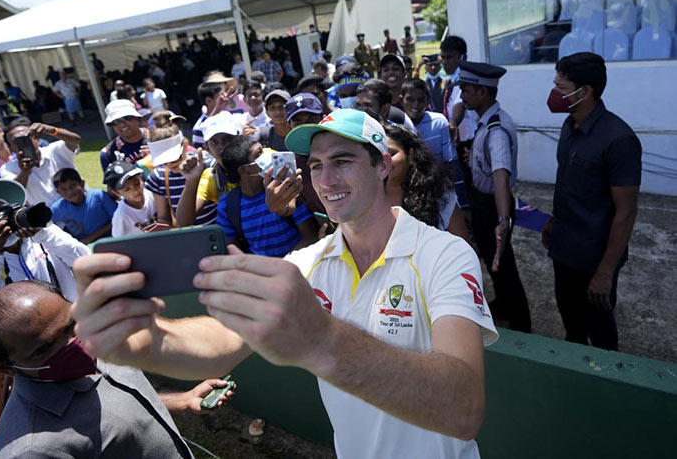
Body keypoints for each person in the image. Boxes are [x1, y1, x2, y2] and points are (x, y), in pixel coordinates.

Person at [72, 109, 498, 458]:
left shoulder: (443, 253)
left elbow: (463, 408)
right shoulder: (307, 262)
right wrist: (146, 341)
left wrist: (321, 339)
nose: (326, 179)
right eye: (315, 165)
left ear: (383, 164)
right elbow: (221, 341)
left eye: (343, 161)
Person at [0, 281, 234, 458]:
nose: (76, 343)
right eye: (45, 348)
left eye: (71, 325)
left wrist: (182, 400)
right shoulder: (32, 451)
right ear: (4, 368)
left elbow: (113, 400)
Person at [543, 52, 641, 351]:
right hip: (564, 249)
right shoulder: (569, 125)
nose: (553, 94)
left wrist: (605, 272)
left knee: (600, 334)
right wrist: (552, 221)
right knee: (572, 326)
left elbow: (625, 213)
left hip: (594, 258)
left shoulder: (619, 140)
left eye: (561, 88)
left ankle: (607, 388)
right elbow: (569, 183)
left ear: (585, 92)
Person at [457, 61, 531, 333]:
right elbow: (489, 164)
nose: (462, 95)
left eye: (466, 90)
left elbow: (500, 175)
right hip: (484, 202)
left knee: (503, 266)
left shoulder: (496, 129)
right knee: (493, 262)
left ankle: (522, 326)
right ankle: (503, 304)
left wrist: (502, 219)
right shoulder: (487, 121)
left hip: (492, 206)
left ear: (482, 92)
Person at [0, 179, 90, 307]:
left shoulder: (42, 235)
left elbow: (85, 260)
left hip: (76, 318)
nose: (2, 222)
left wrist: (43, 234)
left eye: (3, 213)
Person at [217, 136, 317, 255]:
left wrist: (285, 264)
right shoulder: (227, 206)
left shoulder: (282, 189)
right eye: (258, 154)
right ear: (245, 170)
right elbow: (232, 248)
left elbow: (310, 236)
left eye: (263, 149)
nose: (267, 155)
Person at [384, 123, 468, 240]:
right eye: (378, 155)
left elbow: (463, 244)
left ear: (411, 156)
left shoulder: (439, 195)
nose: (385, 160)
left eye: (392, 154)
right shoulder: (366, 197)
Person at [400, 78, 469, 211]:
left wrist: (464, 206)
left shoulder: (439, 122)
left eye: (421, 100)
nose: (416, 105)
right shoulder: (396, 125)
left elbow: (451, 164)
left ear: (427, 100)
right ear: (401, 99)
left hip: (437, 193)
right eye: (410, 99)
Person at [145, 112, 215, 226]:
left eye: (174, 156)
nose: (170, 163)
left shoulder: (206, 165)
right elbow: (163, 217)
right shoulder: (158, 176)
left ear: (185, 143)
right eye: (163, 159)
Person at [176, 113, 240, 228]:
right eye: (214, 142)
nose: (221, 146)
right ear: (207, 147)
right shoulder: (211, 177)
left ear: (239, 139)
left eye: (227, 139)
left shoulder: (258, 161)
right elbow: (184, 222)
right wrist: (191, 181)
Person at [0, 118, 80, 206]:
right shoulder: (8, 168)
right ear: (11, 148)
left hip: (80, 207)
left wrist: (52, 130)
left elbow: (75, 140)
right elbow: (14, 192)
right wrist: (25, 172)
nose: (24, 144)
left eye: (27, 137)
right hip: (47, 217)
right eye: (17, 142)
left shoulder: (55, 150)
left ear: (37, 139)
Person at [440, 35, 478, 191]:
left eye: (450, 57)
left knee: (470, 185)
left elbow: (459, 104)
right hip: (456, 140)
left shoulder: (465, 79)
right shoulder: (450, 80)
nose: (445, 61)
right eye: (443, 57)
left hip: (468, 142)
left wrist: (453, 122)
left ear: (463, 57)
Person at [51, 168, 117, 244]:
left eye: (73, 186)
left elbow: (117, 219)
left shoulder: (98, 196)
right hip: (83, 248)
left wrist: (91, 238)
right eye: (64, 189)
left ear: (82, 183)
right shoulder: (58, 208)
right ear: (58, 192)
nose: (70, 192)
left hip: (110, 240)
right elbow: (43, 224)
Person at [105, 161, 157, 237]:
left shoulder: (153, 195)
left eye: (137, 184)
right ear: (117, 193)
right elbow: (118, 242)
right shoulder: (121, 216)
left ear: (141, 177)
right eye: (127, 189)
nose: (135, 191)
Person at [100, 99, 148, 172]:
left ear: (137, 118)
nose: (122, 124)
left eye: (126, 119)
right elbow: (113, 182)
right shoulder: (108, 153)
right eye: (115, 122)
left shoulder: (158, 138)